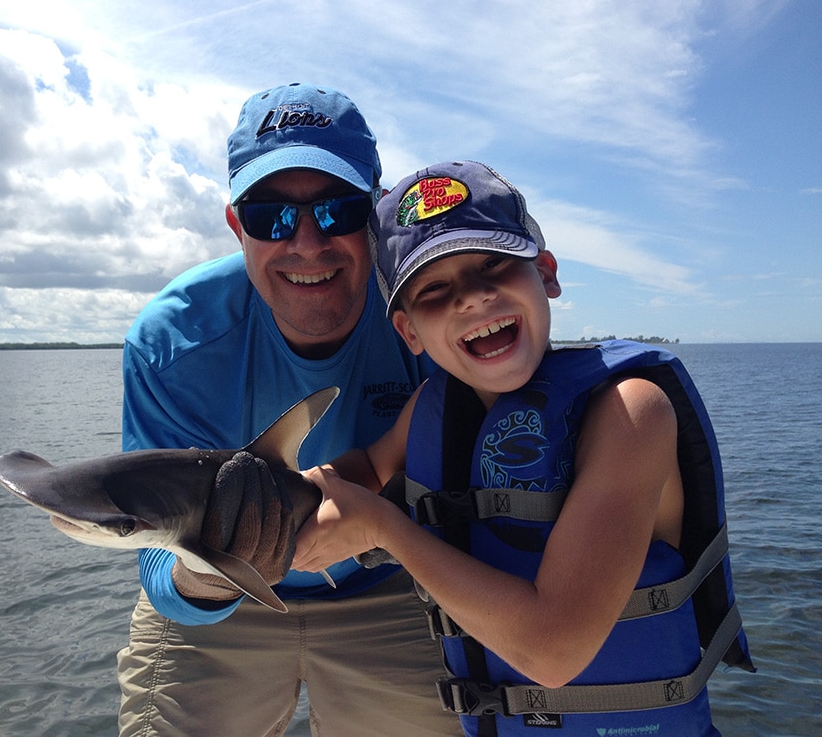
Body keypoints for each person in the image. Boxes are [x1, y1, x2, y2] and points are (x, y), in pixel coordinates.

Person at [293, 160, 755, 736]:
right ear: (409, 332)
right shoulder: (434, 410)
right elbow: (365, 465)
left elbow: (554, 652)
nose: (473, 298)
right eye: (435, 289)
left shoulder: (631, 413)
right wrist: (298, 496)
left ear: (547, 272)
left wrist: (384, 529)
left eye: (494, 264)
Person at [116, 84, 459, 736]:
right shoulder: (170, 345)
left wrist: (388, 527)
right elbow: (159, 565)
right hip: (214, 609)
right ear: (235, 224)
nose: (307, 242)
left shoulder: (430, 310)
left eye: (338, 211)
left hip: (390, 579)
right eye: (271, 216)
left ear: (378, 213)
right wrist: (217, 572)